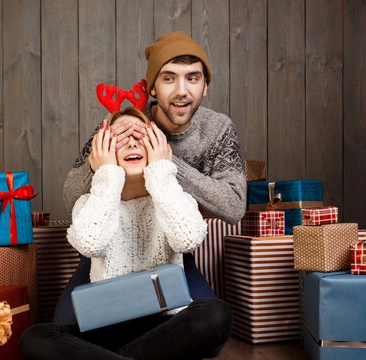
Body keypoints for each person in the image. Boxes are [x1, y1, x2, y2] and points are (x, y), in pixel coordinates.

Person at [20, 107, 252, 360]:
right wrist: (105, 175)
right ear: (102, 151)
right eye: (119, 138)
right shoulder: (90, 202)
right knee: (34, 338)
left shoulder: (174, 196)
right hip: (104, 328)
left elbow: (188, 238)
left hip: (165, 329)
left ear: (157, 146)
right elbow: (90, 242)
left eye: (141, 136)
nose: (131, 143)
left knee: (216, 314)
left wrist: (161, 173)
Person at [63, 31, 246, 226]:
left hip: (185, 241)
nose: (181, 91)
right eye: (169, 79)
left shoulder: (218, 128)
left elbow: (234, 207)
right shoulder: (121, 123)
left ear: (205, 86)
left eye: (192, 78)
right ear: (152, 88)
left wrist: (165, 161)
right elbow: (70, 198)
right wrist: (95, 165)